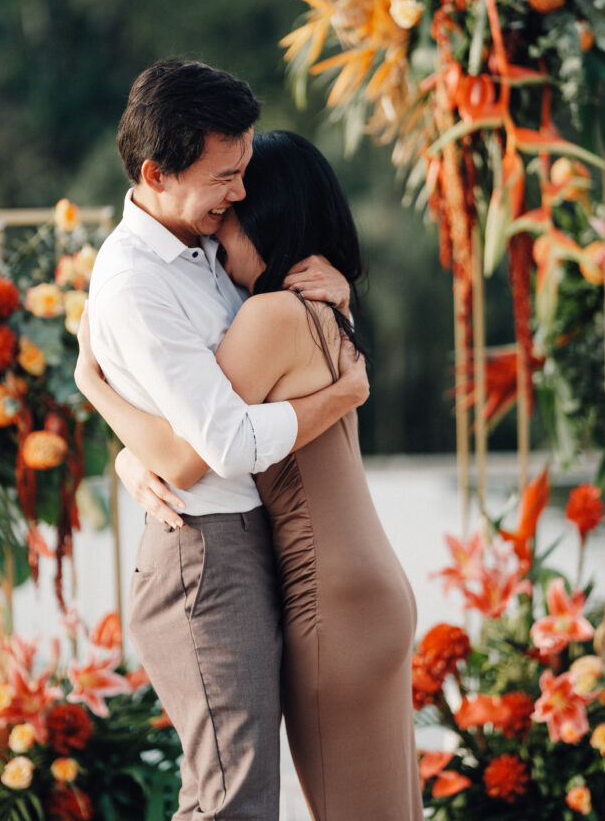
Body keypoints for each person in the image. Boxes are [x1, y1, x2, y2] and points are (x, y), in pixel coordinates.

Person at [78, 128, 424, 821]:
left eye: (235, 207)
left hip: (332, 601)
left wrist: (94, 384)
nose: (219, 227)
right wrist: (124, 458)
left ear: (267, 216)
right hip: (367, 587)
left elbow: (189, 451)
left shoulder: (269, 317)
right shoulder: (319, 309)